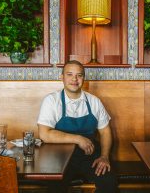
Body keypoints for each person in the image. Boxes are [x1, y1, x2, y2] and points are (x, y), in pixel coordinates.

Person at [37, 60, 117, 193]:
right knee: (54, 186)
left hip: (89, 156)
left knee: (108, 181)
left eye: (79, 75)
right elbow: (44, 134)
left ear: (83, 78)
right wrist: (78, 139)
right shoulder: (51, 100)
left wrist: (104, 156)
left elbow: (105, 132)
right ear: (62, 77)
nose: (74, 79)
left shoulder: (94, 101)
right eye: (69, 74)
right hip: (59, 158)